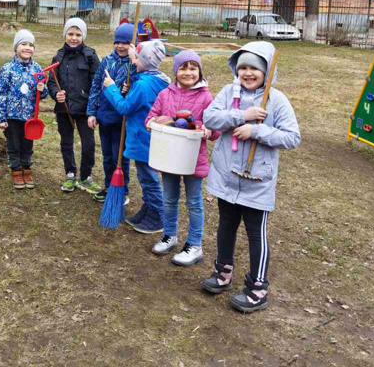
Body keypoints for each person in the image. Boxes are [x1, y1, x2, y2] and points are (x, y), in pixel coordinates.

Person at [201, 41, 300, 313]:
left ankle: (258, 288)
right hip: (227, 177)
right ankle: (223, 273)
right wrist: (241, 116)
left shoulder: (276, 100)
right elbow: (209, 118)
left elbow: (292, 137)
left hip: (257, 182)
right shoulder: (227, 92)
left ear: (266, 72)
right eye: (242, 67)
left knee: (257, 234)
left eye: (254, 68)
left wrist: (256, 131)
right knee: (226, 226)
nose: (247, 73)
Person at [145, 50, 220, 266]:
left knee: (194, 202)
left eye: (193, 68)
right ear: (175, 71)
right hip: (168, 157)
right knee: (169, 199)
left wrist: (207, 130)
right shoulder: (165, 94)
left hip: (192, 160)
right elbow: (151, 117)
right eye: (183, 68)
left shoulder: (206, 97)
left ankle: (194, 244)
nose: (188, 72)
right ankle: (170, 236)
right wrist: (153, 122)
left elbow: (215, 129)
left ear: (199, 71)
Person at [101, 40, 169, 234]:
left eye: (136, 59)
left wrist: (111, 87)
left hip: (142, 137)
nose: (134, 62)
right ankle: (147, 210)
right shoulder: (158, 79)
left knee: (148, 178)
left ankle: (157, 216)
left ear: (146, 60)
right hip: (148, 137)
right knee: (145, 176)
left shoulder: (143, 85)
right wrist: (134, 57)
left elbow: (124, 107)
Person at [47, 18, 100, 194]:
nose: (74, 38)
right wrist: (56, 94)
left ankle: (86, 177)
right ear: (65, 35)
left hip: (85, 109)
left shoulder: (91, 56)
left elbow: (96, 83)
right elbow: (52, 82)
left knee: (88, 143)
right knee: (66, 142)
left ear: (83, 36)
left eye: (78, 34)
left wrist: (93, 107)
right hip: (65, 109)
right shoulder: (58, 56)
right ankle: (70, 173)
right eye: (70, 34)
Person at [86, 22, 136, 203]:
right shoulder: (106, 61)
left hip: (121, 119)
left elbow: (136, 92)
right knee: (107, 156)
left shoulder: (134, 65)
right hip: (104, 117)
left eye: (126, 43)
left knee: (119, 157)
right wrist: (92, 112)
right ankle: (109, 186)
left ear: (133, 44)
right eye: (118, 42)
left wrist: (128, 88)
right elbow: (95, 86)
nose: (121, 46)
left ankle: (122, 191)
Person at [0, 30, 48, 190]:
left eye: (31, 45)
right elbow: (1, 93)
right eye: (23, 44)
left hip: (30, 118)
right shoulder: (7, 69)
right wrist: (1, 117)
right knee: (13, 144)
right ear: (16, 47)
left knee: (27, 145)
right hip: (12, 116)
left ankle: (27, 168)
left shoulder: (38, 69)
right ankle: (16, 171)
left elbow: (43, 94)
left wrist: (42, 89)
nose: (27, 48)